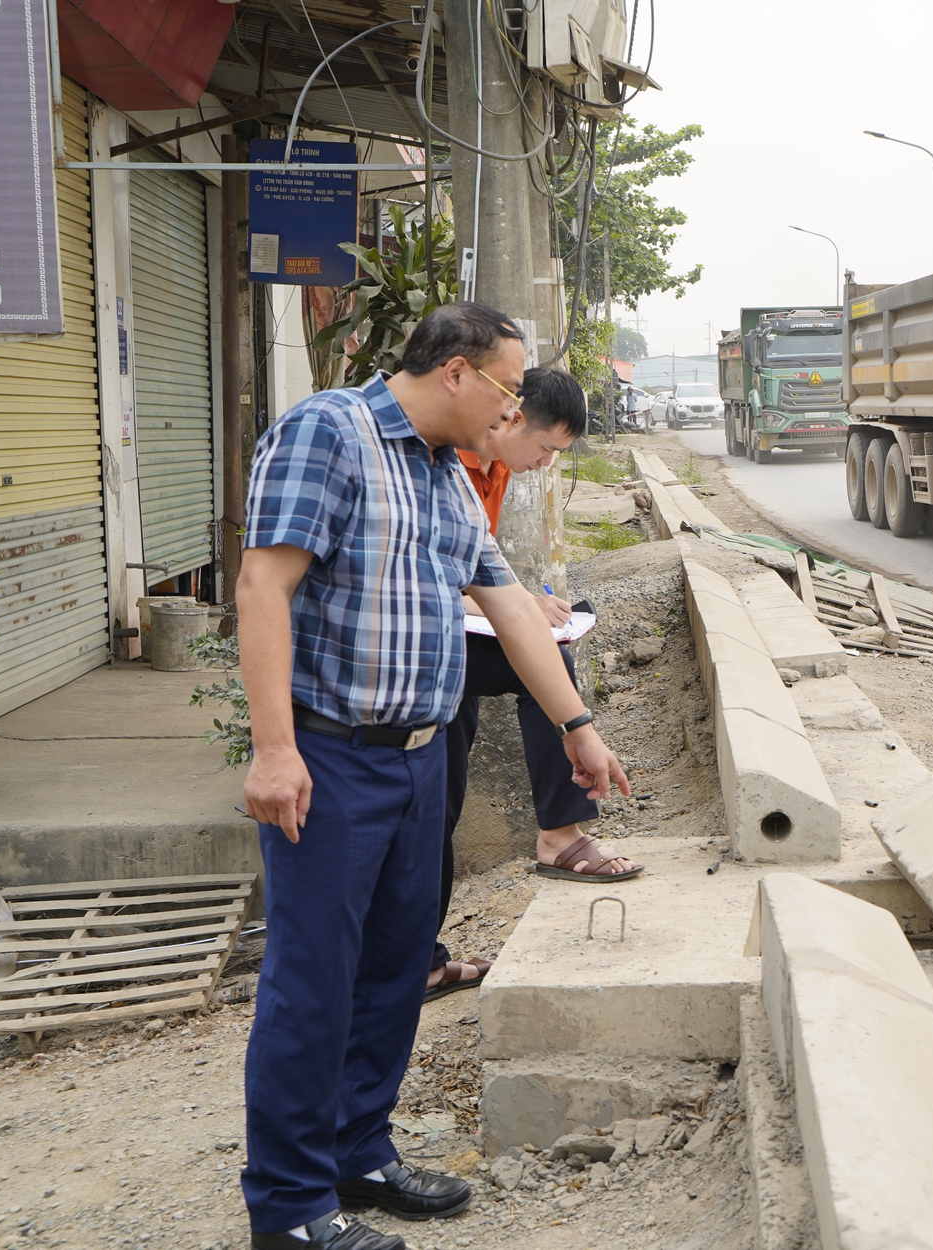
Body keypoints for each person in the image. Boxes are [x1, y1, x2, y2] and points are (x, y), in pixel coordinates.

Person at [236, 303, 632, 1250]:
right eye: (507, 389)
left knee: (394, 965)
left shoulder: (446, 474)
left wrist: (577, 728)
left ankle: (358, 1151)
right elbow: (262, 586)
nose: (512, 410)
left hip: (419, 758)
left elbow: (511, 607)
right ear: (456, 371)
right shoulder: (329, 433)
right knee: (314, 980)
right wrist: (275, 748)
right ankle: (288, 1206)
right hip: (332, 759)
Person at [426, 367, 639, 1003]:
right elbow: (425, 585)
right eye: (545, 448)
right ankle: (558, 837)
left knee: (443, 793)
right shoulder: (440, 464)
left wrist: (521, 603)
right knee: (433, 799)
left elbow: (476, 574)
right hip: (414, 656)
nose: (545, 465)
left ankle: (425, 959)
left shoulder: (486, 470)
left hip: (451, 646)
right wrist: (509, 607)